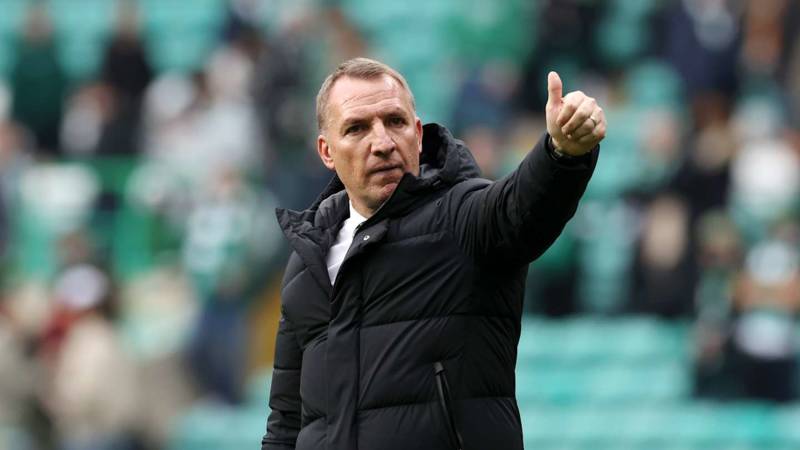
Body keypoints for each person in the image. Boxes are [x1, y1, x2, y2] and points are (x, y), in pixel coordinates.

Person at [261, 57, 605, 450]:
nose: (382, 143)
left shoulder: (461, 217)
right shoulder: (308, 260)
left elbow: (521, 207)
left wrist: (561, 153)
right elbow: (286, 423)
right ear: (326, 151)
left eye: (395, 121)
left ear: (419, 134)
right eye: (357, 128)